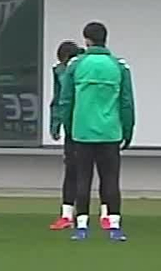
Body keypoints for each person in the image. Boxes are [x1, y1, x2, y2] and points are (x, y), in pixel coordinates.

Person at [55, 21, 135, 242]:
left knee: (83, 178)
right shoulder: (118, 66)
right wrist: (128, 130)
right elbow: (126, 102)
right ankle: (115, 224)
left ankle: (81, 226)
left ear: (86, 40)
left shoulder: (76, 65)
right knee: (110, 179)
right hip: (110, 132)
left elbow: (66, 99)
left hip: (82, 132)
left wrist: (68, 127)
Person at [50, 40, 110, 232]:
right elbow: (58, 98)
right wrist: (56, 123)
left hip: (90, 126)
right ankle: (67, 214)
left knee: (102, 172)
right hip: (72, 127)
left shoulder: (84, 67)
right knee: (72, 170)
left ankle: (106, 214)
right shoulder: (59, 71)